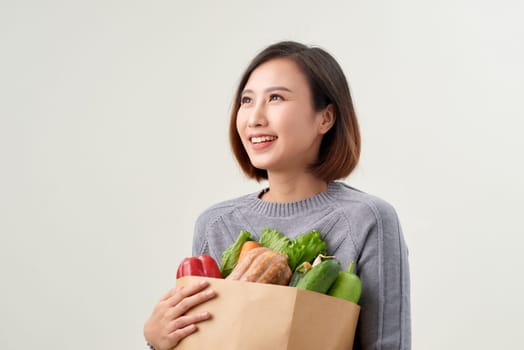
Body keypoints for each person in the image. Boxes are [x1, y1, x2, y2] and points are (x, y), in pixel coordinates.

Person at [144, 41, 411, 350]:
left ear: (325, 118)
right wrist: (157, 340)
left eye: (275, 98)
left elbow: (387, 345)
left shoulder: (367, 219)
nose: (254, 117)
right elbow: (202, 339)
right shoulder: (216, 223)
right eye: (246, 100)